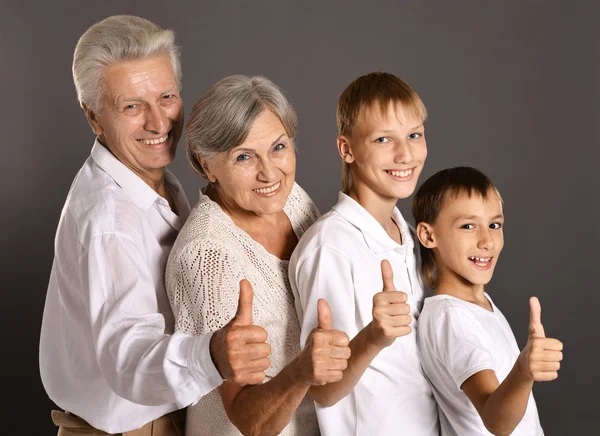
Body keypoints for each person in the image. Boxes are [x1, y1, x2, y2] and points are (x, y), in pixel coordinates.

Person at [39, 16, 271, 435]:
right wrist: (212, 356)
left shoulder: (154, 180)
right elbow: (128, 357)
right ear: (93, 118)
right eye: (131, 106)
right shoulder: (110, 220)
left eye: (166, 96)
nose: (158, 122)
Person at [165, 74, 351, 435]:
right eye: (244, 156)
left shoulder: (293, 199)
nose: (270, 173)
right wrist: (302, 369)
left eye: (279, 147)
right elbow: (248, 420)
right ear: (207, 165)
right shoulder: (207, 256)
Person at [289, 72, 439, 435]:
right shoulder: (331, 247)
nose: (405, 154)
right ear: (347, 149)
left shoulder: (405, 232)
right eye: (383, 139)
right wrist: (373, 337)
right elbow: (321, 390)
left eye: (414, 135)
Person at [413, 166, 562, 435]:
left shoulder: (477, 306)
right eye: (468, 226)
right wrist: (524, 371)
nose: (488, 241)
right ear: (428, 235)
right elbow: (497, 421)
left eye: (495, 225)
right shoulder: (451, 318)